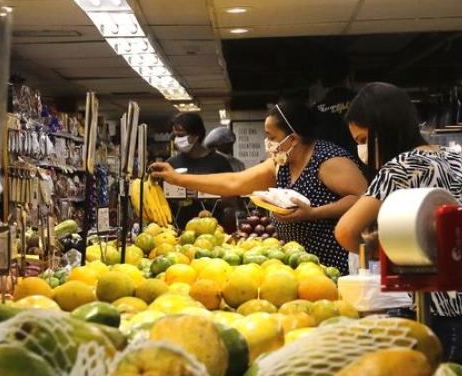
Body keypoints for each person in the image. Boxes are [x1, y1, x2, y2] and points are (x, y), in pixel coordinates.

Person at [334, 82, 462, 366]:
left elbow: (345, 231)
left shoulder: (399, 168)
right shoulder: (458, 162)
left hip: (421, 318)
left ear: (385, 129)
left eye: (364, 139)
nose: (361, 149)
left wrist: (380, 250)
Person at [151, 99, 367, 273]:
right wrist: (178, 179)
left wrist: (313, 213)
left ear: (292, 139)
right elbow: (233, 182)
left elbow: (362, 198)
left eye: (271, 136)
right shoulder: (281, 163)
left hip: (334, 264)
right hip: (298, 264)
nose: (267, 142)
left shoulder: (327, 160)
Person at [165, 112, 236, 229]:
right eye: (175, 136)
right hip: (178, 231)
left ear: (196, 136)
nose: (177, 140)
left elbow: (231, 200)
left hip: (214, 230)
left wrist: (202, 194)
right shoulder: (171, 164)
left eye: (181, 136)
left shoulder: (218, 163)